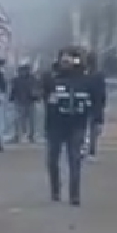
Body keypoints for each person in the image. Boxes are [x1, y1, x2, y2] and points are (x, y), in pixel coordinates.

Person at [42, 48, 94, 205]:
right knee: (52, 160)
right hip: (55, 125)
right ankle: (55, 189)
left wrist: (91, 116)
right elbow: (41, 94)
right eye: (63, 59)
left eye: (69, 59)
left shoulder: (85, 80)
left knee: (75, 159)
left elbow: (94, 100)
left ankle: (74, 195)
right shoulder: (51, 78)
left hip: (77, 124)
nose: (66, 62)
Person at [9, 62, 40, 144]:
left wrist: (36, 97)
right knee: (20, 120)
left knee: (29, 121)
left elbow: (36, 90)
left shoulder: (31, 79)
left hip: (27, 102)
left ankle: (29, 136)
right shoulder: (17, 80)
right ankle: (19, 135)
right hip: (21, 102)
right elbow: (13, 90)